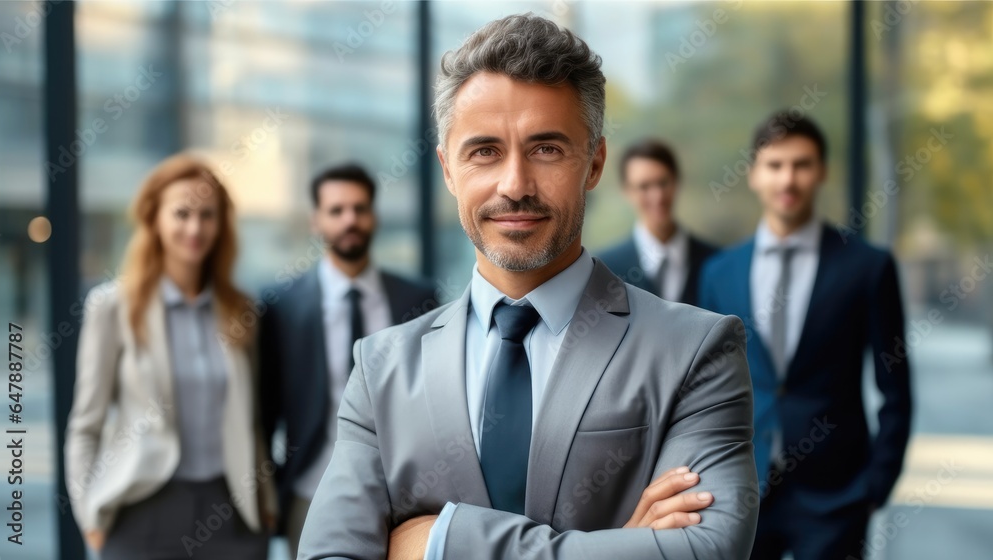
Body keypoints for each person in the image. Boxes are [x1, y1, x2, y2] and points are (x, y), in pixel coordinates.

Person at [298, 14, 757, 560]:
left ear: (595, 162)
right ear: (448, 169)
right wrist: (623, 547)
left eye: (546, 149)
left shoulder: (696, 351)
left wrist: (440, 543)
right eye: (485, 151)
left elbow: (707, 551)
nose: (515, 185)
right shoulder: (380, 370)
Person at [698, 112, 912, 560]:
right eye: (775, 165)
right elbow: (703, 387)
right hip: (741, 492)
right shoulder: (719, 273)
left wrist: (876, 484)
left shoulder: (867, 268)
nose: (788, 179)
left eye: (802, 164)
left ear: (822, 172)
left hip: (838, 495)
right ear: (754, 174)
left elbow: (895, 387)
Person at [65, 154, 277, 559]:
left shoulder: (241, 311)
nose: (195, 228)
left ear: (221, 224)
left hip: (230, 512)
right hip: (141, 508)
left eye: (207, 215)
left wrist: (264, 503)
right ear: (154, 219)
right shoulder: (112, 307)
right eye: (181, 213)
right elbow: (85, 425)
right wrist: (88, 514)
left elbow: (251, 422)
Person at [258, 163, 437, 557]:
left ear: (374, 216)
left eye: (360, 208)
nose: (350, 220)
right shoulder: (281, 306)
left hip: (403, 493)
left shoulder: (417, 299)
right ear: (316, 221)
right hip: (311, 493)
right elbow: (264, 410)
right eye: (336, 211)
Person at [598, 139, 718, 305]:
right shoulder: (605, 269)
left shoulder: (716, 262)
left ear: (677, 182)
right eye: (644, 186)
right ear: (627, 191)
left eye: (663, 183)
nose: (657, 197)